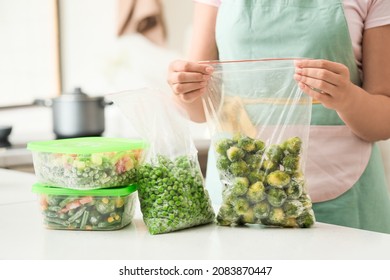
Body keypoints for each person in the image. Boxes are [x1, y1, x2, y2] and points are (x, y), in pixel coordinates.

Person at [167, 0, 390, 234]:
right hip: (237, 196)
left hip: (343, 205)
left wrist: (347, 98)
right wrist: (184, 88)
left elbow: (384, 120)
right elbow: (198, 109)